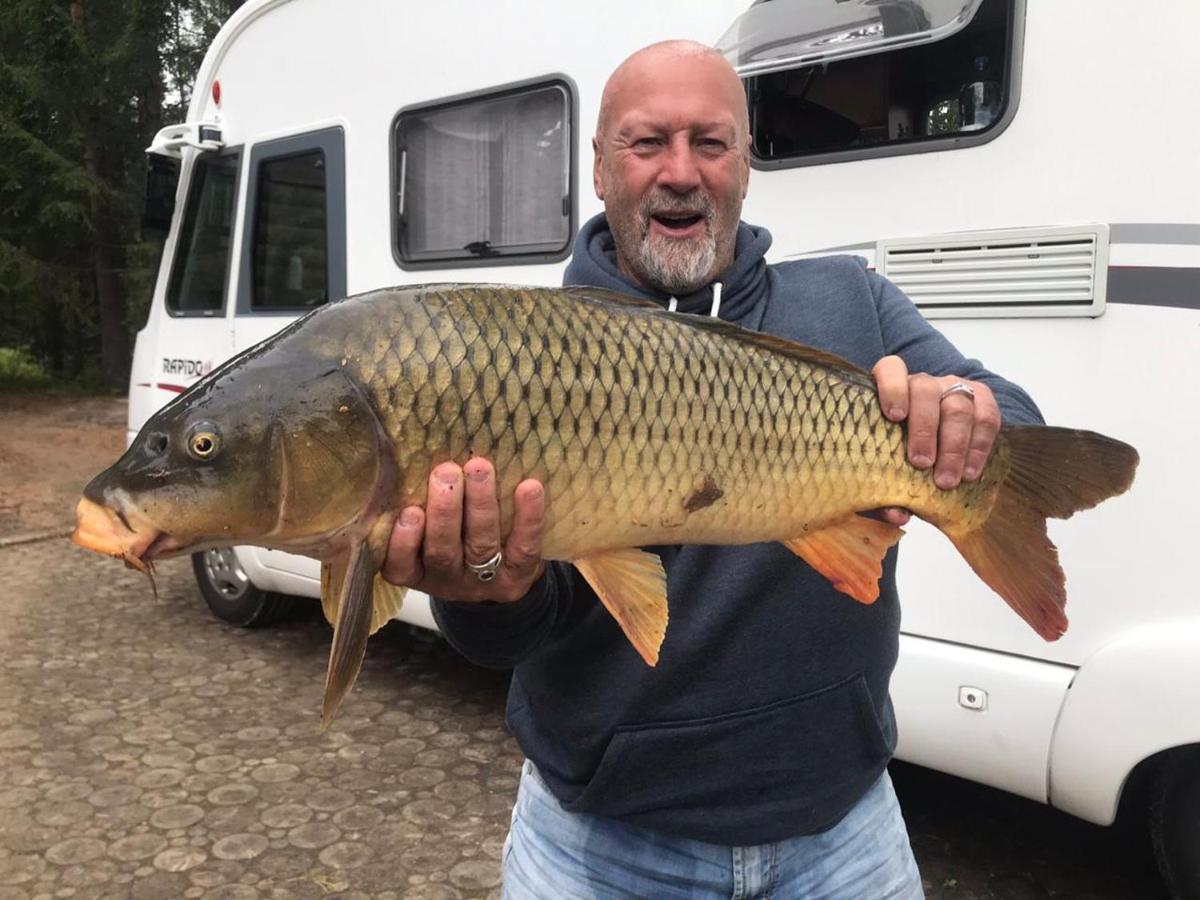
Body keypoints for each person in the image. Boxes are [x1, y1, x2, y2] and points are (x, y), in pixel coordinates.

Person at [382, 40, 1042, 899]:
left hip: (844, 831)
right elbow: (513, 632)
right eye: (647, 142)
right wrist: (485, 591)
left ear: (745, 164)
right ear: (600, 168)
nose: (681, 172)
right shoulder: (524, 353)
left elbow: (1014, 417)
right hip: (604, 846)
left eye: (711, 142)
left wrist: (963, 417)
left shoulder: (850, 300)